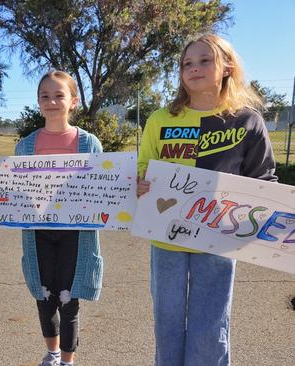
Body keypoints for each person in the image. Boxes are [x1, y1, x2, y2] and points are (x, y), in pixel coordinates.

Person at [137, 33, 277, 366]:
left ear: (228, 67)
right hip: (165, 239)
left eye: (204, 60)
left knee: (210, 324)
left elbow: (264, 180)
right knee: (166, 322)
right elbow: (143, 166)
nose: (194, 68)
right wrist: (140, 183)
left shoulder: (247, 122)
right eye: (187, 63)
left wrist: (259, 223)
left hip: (219, 241)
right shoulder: (161, 119)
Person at [14, 70, 104, 366]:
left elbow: (102, 187)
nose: (52, 101)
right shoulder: (25, 146)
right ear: (38, 102)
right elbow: (14, 190)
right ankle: (52, 354)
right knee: (44, 296)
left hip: (75, 234)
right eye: (45, 96)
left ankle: (67, 360)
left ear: (74, 101)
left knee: (69, 298)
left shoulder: (89, 144)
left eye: (59, 95)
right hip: (37, 232)